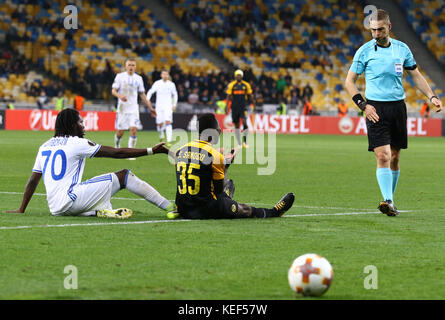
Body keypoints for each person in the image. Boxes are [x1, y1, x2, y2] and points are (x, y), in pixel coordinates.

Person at [344, 9, 443, 216]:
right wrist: (363, 105)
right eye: (372, 30)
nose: (376, 34)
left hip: (397, 107)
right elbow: (349, 82)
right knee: (383, 155)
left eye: (380, 30)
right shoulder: (364, 51)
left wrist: (431, 96)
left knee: (396, 157)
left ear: (389, 27)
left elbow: (416, 75)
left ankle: (391, 200)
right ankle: (387, 201)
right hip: (374, 108)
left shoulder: (402, 49)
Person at [5, 109, 175, 218]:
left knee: (86, 187)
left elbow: (33, 181)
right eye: (80, 122)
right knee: (124, 176)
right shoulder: (76, 143)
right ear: (73, 126)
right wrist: (151, 151)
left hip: (55, 208)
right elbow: (117, 153)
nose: (84, 126)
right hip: (72, 200)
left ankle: (98, 212)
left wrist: (21, 209)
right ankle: (169, 206)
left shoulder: (44, 146)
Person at [169, 113, 294, 220]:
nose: (220, 130)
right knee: (244, 209)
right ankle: (274, 212)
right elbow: (218, 192)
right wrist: (226, 165)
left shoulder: (180, 150)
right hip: (204, 210)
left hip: (183, 208)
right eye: (218, 128)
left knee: (223, 188)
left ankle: (227, 197)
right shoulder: (215, 156)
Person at [112, 58, 156, 157]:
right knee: (120, 132)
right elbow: (113, 91)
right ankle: (117, 145)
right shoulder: (119, 77)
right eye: (129, 65)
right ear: (125, 66)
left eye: (133, 65)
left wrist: (150, 107)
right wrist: (120, 96)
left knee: (133, 129)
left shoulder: (138, 78)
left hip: (133, 108)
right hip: (122, 108)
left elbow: (142, 94)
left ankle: (130, 153)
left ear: (135, 67)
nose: (131, 67)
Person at [146, 70, 178, 146]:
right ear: (161, 75)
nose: (165, 75)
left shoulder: (171, 84)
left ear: (168, 75)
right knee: (159, 124)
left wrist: (174, 104)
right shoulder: (157, 83)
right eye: (164, 74)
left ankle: (169, 140)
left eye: (166, 74)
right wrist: (147, 100)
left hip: (168, 106)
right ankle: (161, 134)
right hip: (159, 106)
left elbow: (175, 94)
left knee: (168, 122)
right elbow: (151, 91)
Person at [226, 69, 254, 148]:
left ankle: (245, 142)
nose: (238, 76)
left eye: (240, 75)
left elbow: (250, 95)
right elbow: (228, 96)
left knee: (245, 123)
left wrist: (253, 104)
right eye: (237, 75)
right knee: (236, 125)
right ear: (235, 76)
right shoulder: (232, 85)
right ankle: (239, 143)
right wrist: (226, 107)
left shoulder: (246, 85)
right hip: (234, 107)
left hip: (243, 107)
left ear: (242, 76)